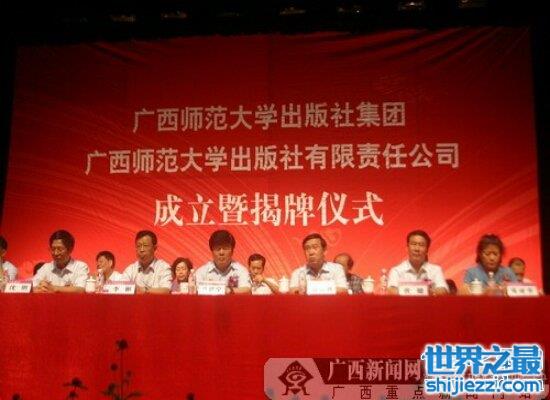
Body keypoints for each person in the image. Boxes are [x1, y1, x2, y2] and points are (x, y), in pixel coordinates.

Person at [387, 230, 449, 295]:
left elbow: (443, 291)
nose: (417, 249)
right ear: (407, 248)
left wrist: (407, 290)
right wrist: (424, 290)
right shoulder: (397, 270)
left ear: (427, 250)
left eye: (421, 245)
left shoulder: (435, 270)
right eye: (414, 244)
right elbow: (391, 291)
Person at [194, 230, 251, 294]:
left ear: (232, 251)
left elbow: (247, 290)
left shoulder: (241, 270)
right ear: (212, 251)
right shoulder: (202, 272)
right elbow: (196, 292)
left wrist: (229, 291)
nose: (221, 252)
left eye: (225, 248)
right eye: (218, 249)